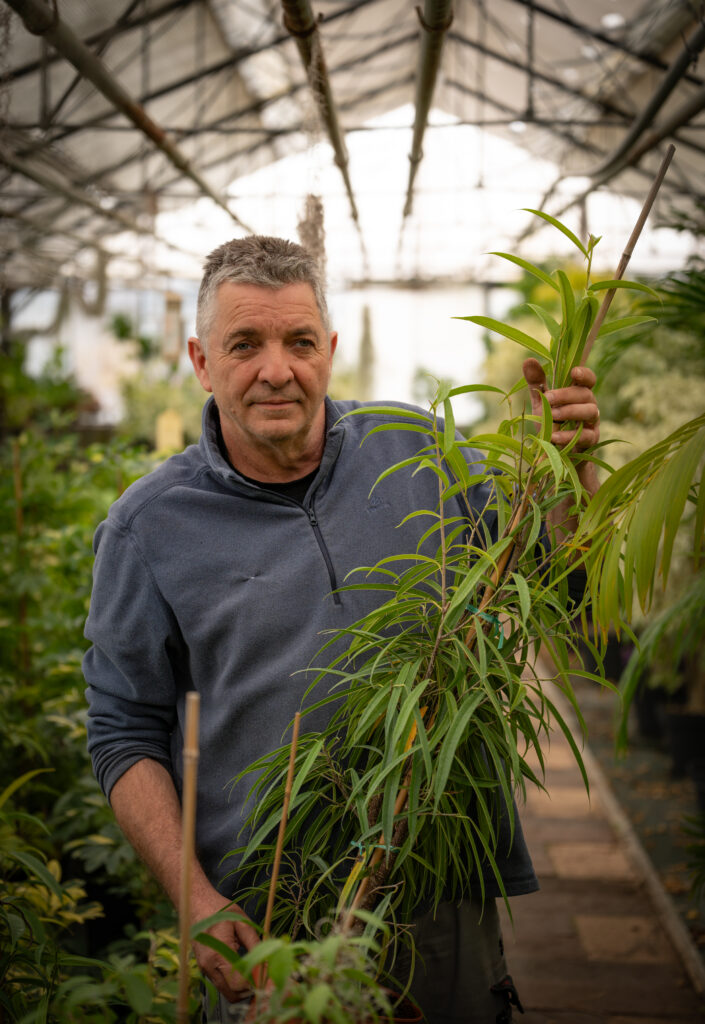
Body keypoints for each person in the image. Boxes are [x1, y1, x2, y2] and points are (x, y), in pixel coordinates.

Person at [84, 236, 601, 1023]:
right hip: (268, 917)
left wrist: (567, 471)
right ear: (200, 361)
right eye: (244, 345)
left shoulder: (421, 451)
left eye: (298, 342)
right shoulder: (149, 526)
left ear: (328, 351)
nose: (276, 370)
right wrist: (196, 900)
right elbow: (123, 730)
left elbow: (551, 579)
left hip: (435, 887)